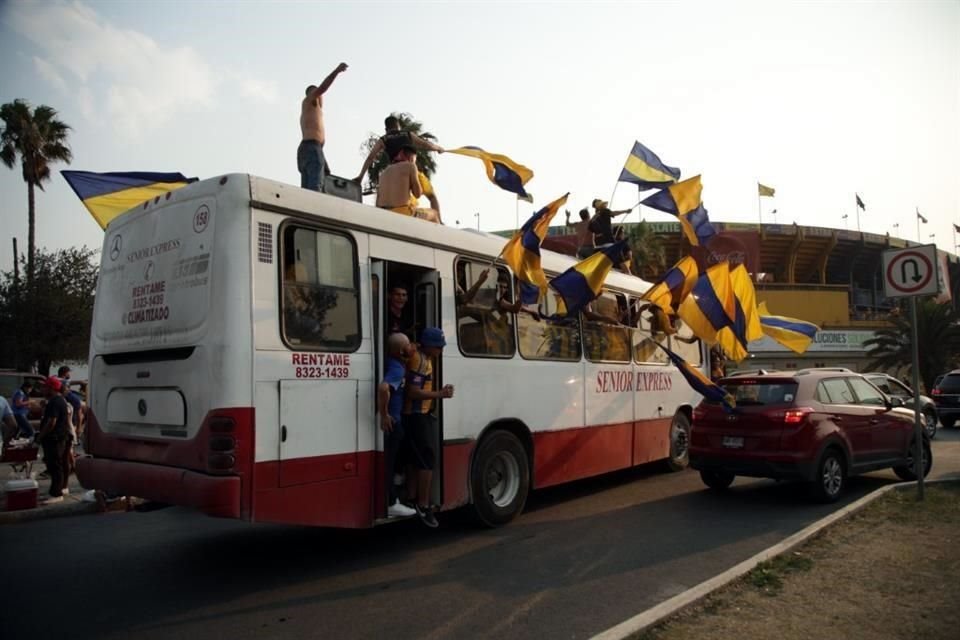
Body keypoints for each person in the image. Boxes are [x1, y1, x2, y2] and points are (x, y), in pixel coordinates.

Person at [402, 327, 454, 528]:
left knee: (416, 459)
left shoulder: (424, 358)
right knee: (427, 460)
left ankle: (412, 497)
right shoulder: (420, 361)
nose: (441, 350)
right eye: (439, 347)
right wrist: (439, 395)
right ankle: (423, 505)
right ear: (430, 346)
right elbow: (413, 392)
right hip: (415, 416)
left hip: (418, 415)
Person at [377, 333, 417, 518]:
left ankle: (397, 481)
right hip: (393, 422)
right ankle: (392, 502)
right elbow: (384, 388)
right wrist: (384, 415)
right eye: (409, 345)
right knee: (389, 464)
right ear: (401, 350)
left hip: (396, 420)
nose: (412, 347)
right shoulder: (397, 370)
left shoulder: (393, 362)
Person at [298, 62, 349, 191]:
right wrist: (337, 71)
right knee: (315, 188)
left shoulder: (312, 112)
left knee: (310, 187)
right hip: (311, 148)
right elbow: (323, 87)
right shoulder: (310, 101)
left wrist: (324, 162)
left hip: (312, 148)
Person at [355, 114, 445, 186]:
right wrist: (438, 148)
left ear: (386, 129)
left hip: (396, 171)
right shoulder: (407, 134)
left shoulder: (383, 139)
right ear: (398, 126)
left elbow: (370, 158)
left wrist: (360, 177)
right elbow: (425, 144)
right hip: (411, 169)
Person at [375, 147, 440, 223]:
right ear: (410, 158)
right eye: (414, 160)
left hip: (383, 215)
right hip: (404, 214)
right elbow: (417, 194)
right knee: (434, 214)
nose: (414, 163)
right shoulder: (410, 166)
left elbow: (377, 202)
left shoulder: (383, 173)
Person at [35, 376, 70, 505]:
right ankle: (57, 489)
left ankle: (57, 493)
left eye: (44, 387)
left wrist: (40, 437)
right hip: (58, 437)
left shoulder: (55, 401)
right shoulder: (56, 400)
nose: (42, 389)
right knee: (56, 464)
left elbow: (51, 422)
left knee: (55, 466)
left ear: (51, 388)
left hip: (55, 438)